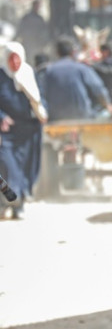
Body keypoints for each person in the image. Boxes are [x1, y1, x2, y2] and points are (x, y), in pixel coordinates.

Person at [0, 42, 47, 219]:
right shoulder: (1, 76)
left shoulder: (30, 74)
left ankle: (19, 205)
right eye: (11, 58)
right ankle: (9, 200)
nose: (14, 62)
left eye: (17, 58)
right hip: (8, 133)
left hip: (30, 130)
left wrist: (43, 112)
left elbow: (40, 97)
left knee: (27, 167)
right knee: (7, 166)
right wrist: (1, 116)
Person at [44, 37, 112, 121]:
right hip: (82, 117)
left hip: (57, 119)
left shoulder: (50, 71)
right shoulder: (81, 68)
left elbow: (44, 93)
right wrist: (107, 104)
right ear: (73, 52)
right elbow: (97, 87)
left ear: (57, 53)